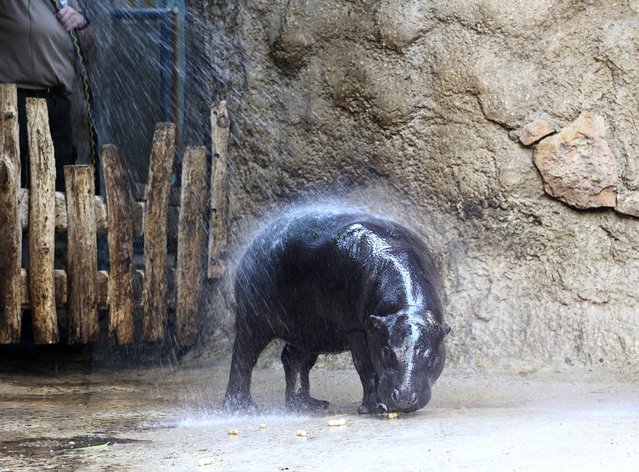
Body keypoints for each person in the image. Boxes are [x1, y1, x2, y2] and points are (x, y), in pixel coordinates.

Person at [0, 0, 92, 192]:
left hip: (59, 102)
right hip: (17, 102)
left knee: (58, 183)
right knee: (16, 185)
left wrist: (81, 20)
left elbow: (87, 42)